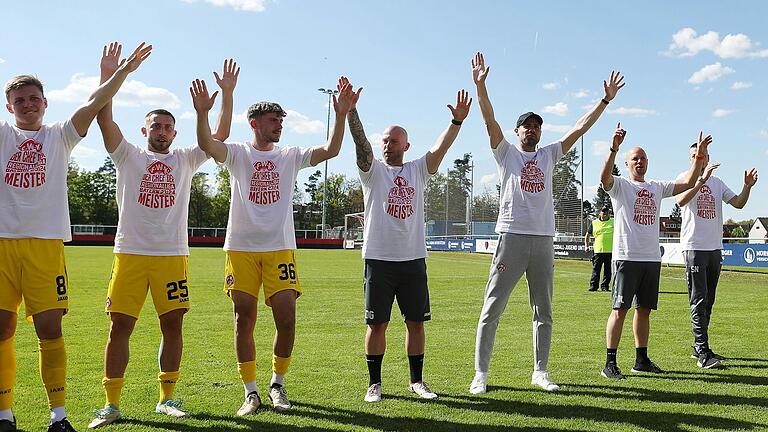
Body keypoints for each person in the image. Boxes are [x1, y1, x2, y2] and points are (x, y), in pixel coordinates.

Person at [0, 42, 152, 432]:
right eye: (20, 100)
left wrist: (119, 74)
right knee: (2, 329)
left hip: (45, 246)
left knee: (49, 329)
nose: (28, 104)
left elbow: (96, 102)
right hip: (1, 244)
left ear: (46, 103)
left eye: (35, 98)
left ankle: (58, 416)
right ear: (8, 106)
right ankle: (4, 414)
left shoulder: (60, 136)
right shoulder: (2, 136)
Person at [87, 44, 239, 429]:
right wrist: (109, 74)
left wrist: (227, 96)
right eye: (156, 125)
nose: (162, 132)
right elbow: (104, 119)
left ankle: (167, 397)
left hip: (172, 255)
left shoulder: (185, 158)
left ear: (175, 132)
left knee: (173, 326)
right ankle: (111, 404)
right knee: (119, 327)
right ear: (145, 129)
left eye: (168, 127)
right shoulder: (128, 155)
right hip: (131, 254)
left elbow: (219, 134)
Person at [191, 76, 354, 414]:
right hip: (241, 249)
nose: (279, 125)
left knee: (287, 319)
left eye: (281, 120)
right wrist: (206, 110)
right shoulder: (238, 153)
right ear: (255, 124)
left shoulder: (290, 155)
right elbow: (208, 144)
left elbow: (332, 149)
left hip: (280, 248)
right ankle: (250, 391)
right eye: (273, 120)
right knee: (243, 319)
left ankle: (277, 384)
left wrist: (340, 115)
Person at [468, 52, 625, 394]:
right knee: (492, 308)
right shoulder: (506, 152)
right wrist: (480, 86)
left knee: (544, 310)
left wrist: (604, 101)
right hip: (511, 236)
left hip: (542, 240)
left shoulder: (550, 153)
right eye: (528, 124)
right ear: (517, 130)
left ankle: (540, 371)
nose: (533, 129)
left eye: (537, 125)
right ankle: (481, 374)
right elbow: (488, 119)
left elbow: (580, 128)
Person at [343, 77, 472, 403]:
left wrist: (456, 121)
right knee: (378, 325)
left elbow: (441, 147)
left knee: (415, 323)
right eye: (385, 140)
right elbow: (361, 145)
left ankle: (417, 381)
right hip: (379, 260)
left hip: (413, 259)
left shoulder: (418, 170)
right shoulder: (372, 171)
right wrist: (351, 111)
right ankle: (374, 383)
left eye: (394, 141)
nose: (388, 145)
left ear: (406, 145)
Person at [600, 123, 710, 380]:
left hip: (651, 258)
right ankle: (610, 362)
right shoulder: (621, 186)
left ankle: (641, 359)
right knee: (620, 310)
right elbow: (604, 178)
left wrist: (699, 159)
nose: (639, 162)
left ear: (648, 163)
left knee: (644, 309)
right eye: (634, 159)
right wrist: (613, 149)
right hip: (627, 257)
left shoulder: (656, 187)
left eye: (642, 158)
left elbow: (688, 181)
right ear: (627, 164)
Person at [674, 144, 757, 369]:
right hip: (694, 247)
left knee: (709, 300)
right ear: (691, 159)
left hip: (714, 248)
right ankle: (702, 351)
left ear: (708, 157)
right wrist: (701, 180)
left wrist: (746, 187)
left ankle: (700, 346)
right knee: (698, 299)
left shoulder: (718, 183)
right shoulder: (685, 178)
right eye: (694, 156)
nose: (699, 159)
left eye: (702, 156)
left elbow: (738, 203)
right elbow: (680, 201)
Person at [584, 207, 614, 292]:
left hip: (610, 250)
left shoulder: (614, 221)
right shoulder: (594, 223)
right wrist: (586, 246)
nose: (604, 214)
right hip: (598, 250)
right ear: (599, 213)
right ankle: (594, 286)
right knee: (596, 269)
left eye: (606, 213)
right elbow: (587, 235)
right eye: (603, 212)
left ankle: (605, 286)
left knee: (608, 271)